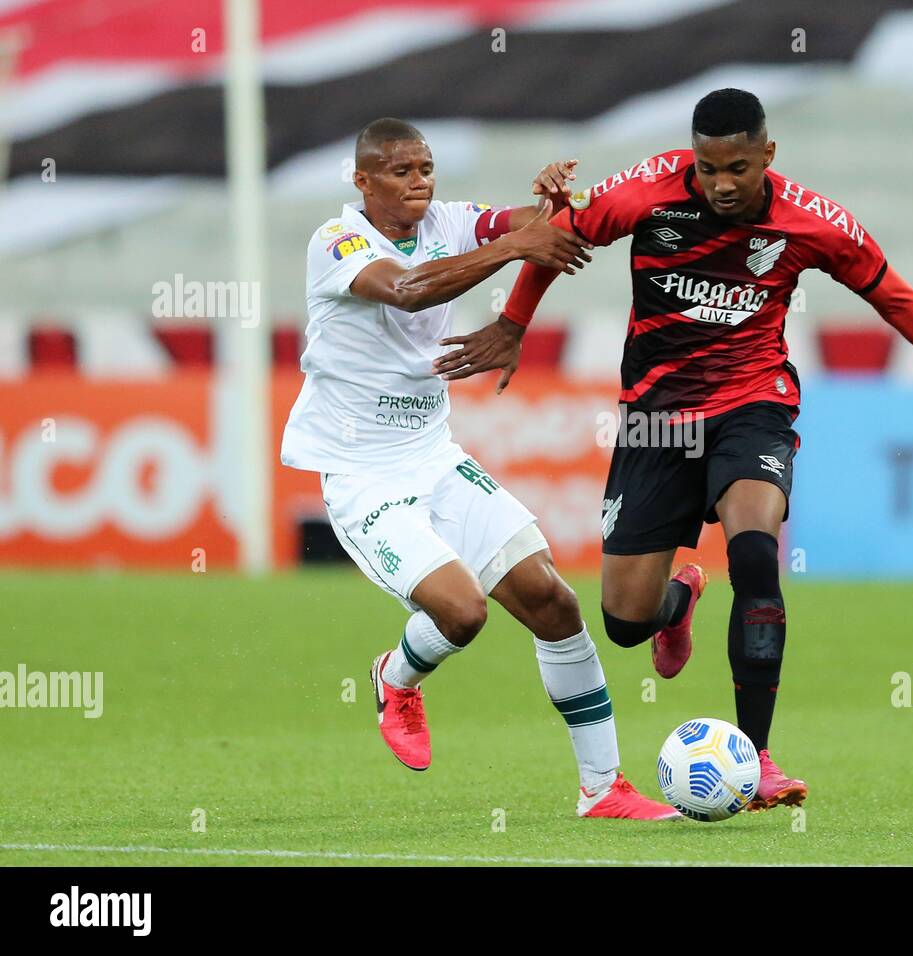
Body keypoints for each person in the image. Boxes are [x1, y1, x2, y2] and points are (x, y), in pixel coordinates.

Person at [431, 90, 913, 811]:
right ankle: (679, 599)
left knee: (758, 554)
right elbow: (553, 236)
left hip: (752, 406)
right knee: (624, 624)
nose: (721, 183)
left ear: (768, 155)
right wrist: (513, 323)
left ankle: (757, 755)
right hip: (655, 420)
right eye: (707, 168)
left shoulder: (813, 222)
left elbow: (894, 297)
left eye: (737, 167)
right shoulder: (645, 191)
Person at [280, 117, 680, 820]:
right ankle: (395, 676)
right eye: (400, 171)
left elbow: (545, 224)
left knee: (554, 602)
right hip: (362, 473)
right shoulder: (336, 240)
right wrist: (516, 243)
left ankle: (603, 789)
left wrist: (556, 201)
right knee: (462, 613)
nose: (418, 182)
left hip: (433, 456)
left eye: (426, 168)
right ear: (361, 180)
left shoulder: (453, 221)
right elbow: (407, 290)